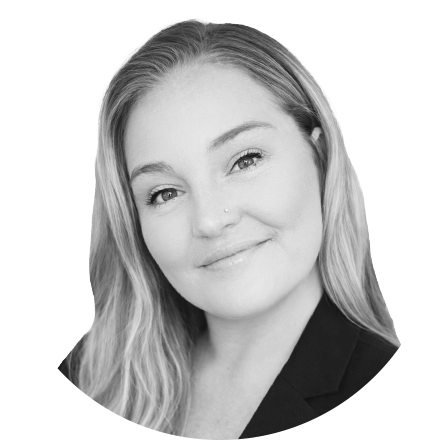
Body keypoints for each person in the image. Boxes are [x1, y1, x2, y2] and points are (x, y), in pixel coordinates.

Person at [58, 20, 400, 438]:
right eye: (164, 193)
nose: (209, 220)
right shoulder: (91, 374)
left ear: (320, 155)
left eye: (245, 161)